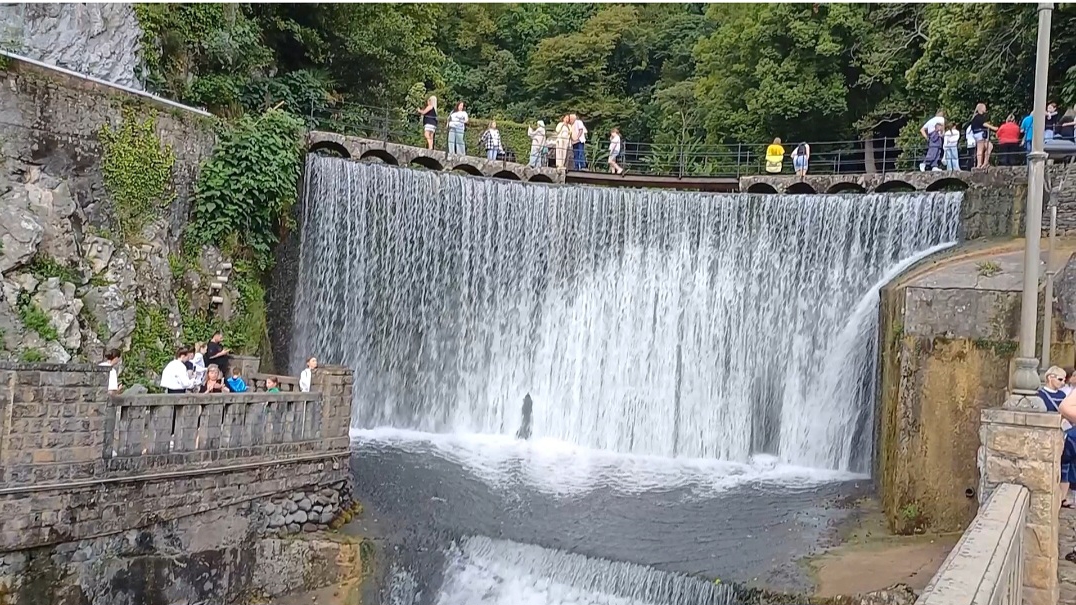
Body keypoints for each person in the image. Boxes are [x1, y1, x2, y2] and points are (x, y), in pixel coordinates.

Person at [1041, 367, 1076, 508]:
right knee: (1065, 466)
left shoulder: (1063, 394)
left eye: (1064, 379)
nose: (1063, 382)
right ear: (1050, 377)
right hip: (1057, 434)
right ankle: (1061, 498)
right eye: (1060, 379)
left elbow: (1064, 408)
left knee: (1067, 465)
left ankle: (1062, 498)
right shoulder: (1040, 395)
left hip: (1066, 431)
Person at [969, 103, 998, 169]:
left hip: (980, 135)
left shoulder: (979, 117)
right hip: (979, 134)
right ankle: (979, 164)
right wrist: (993, 128)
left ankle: (985, 162)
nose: (985, 109)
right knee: (980, 149)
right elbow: (984, 124)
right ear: (981, 108)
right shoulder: (978, 117)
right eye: (984, 107)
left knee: (989, 146)